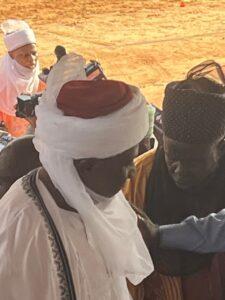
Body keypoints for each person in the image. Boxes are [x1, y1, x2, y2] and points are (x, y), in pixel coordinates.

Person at [0, 53, 153, 299]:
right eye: (125, 164)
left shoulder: (92, 195)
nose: (133, 172)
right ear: (86, 165)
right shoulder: (23, 232)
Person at [124, 77, 225, 300]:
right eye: (172, 155)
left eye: (195, 161)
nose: (180, 169)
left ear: (219, 148)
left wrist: (159, 234)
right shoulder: (138, 178)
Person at [0, 19, 45, 137]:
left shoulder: (39, 76)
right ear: (11, 55)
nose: (32, 59)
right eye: (24, 55)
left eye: (34, 53)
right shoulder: (2, 79)